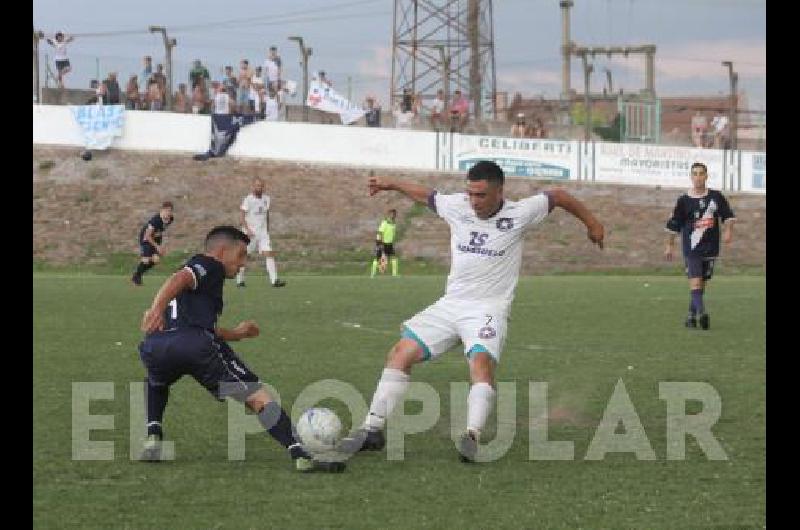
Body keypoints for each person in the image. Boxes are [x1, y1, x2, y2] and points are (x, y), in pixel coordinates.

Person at [341, 161, 604, 462]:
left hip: (487, 309)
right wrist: (392, 184)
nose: (474, 201)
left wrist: (593, 224)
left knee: (480, 363)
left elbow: (559, 196)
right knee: (400, 353)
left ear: (499, 192)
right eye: (470, 194)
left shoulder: (519, 214)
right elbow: (427, 195)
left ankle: (472, 436)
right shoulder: (457, 206)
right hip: (451, 304)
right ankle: (372, 429)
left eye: (481, 195)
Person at [137, 225, 344, 472]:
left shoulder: (199, 284)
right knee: (258, 397)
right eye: (241, 255)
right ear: (222, 251)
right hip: (196, 347)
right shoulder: (209, 264)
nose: (243, 263)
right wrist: (156, 309)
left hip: (157, 345)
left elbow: (201, 326)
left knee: (157, 382)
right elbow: (178, 279)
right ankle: (301, 455)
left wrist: (237, 333)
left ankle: (153, 436)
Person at [665, 162, 736, 330]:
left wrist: (728, 232)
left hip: (711, 247)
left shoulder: (716, 197)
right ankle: (702, 313)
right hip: (692, 248)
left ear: (706, 176)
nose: (698, 177)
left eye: (701, 174)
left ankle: (690, 316)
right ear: (691, 177)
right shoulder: (683, 201)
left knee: (701, 283)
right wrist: (669, 245)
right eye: (695, 174)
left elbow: (728, 216)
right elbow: (674, 224)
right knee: (695, 283)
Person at [236, 177, 286, 288]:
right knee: (245, 256)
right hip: (250, 233)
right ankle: (240, 280)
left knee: (269, 253)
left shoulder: (266, 199)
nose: (259, 188)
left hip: (263, 233)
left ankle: (274, 281)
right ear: (253, 186)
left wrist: (267, 228)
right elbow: (242, 216)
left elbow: (266, 214)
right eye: (257, 185)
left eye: (261, 186)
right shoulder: (248, 199)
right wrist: (247, 229)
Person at [132, 202, 174, 286]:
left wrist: (160, 244)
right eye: (166, 210)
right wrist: (157, 246)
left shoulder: (170, 219)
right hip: (146, 238)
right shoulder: (155, 220)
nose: (168, 213)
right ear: (162, 210)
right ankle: (137, 276)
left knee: (156, 260)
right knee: (146, 260)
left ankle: (137, 275)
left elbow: (160, 230)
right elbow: (147, 235)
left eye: (170, 211)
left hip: (156, 238)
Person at [371, 209, 398, 277]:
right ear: (389, 214)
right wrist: (381, 243)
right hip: (383, 243)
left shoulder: (393, 223)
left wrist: (392, 240)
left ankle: (394, 274)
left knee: (393, 257)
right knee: (377, 258)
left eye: (394, 214)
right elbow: (380, 233)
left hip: (389, 243)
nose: (393, 215)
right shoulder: (384, 222)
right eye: (392, 214)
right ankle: (372, 274)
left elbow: (392, 233)